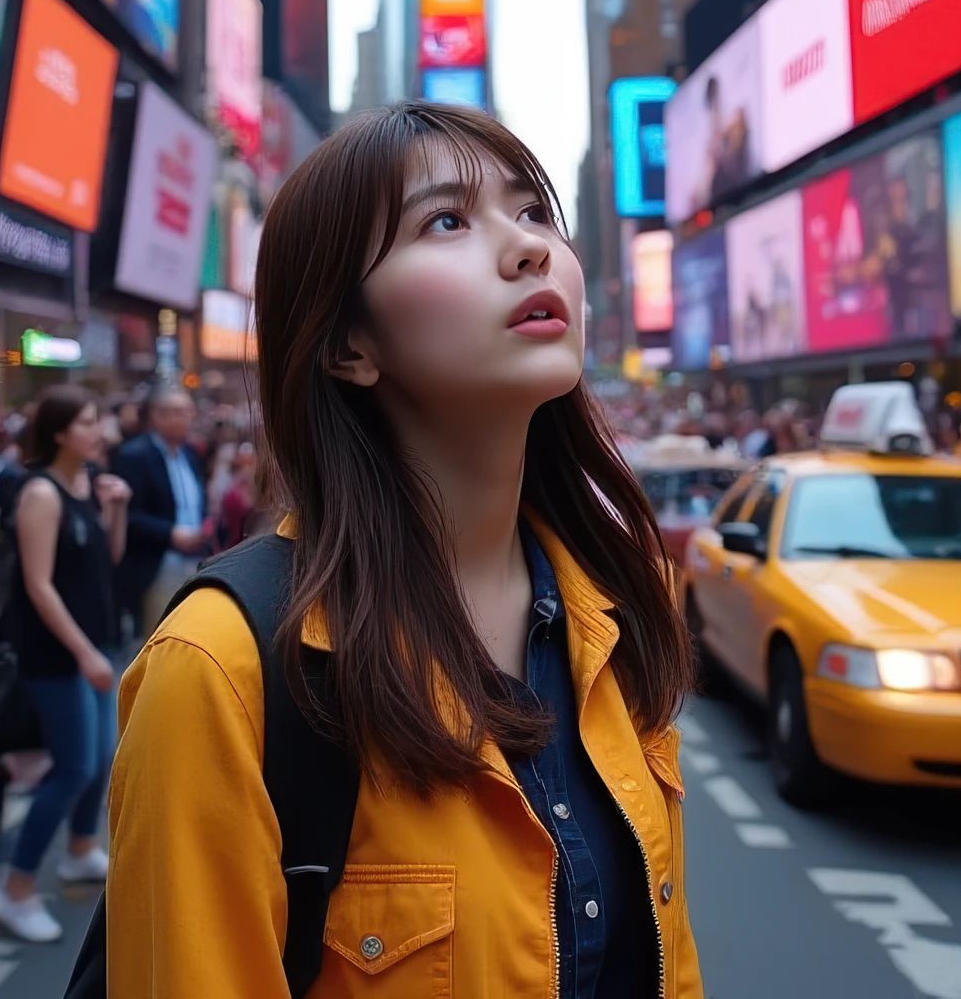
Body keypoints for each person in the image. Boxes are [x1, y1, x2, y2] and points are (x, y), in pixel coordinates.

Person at [108, 102, 702, 997]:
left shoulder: (619, 615)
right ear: (349, 344)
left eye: (534, 210)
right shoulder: (223, 673)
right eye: (447, 221)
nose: (528, 248)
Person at [0, 387, 130, 943]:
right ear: (58, 433)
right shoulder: (41, 493)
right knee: (74, 767)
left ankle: (80, 849)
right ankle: (16, 889)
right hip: (58, 656)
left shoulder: (86, 485)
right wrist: (83, 653)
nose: (100, 430)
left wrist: (115, 509)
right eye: (87, 421)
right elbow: (38, 584)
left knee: (99, 762)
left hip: (94, 646)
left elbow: (108, 562)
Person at [112, 388, 208, 640]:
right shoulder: (135, 455)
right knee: (161, 638)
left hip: (194, 559)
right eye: (177, 413)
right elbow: (128, 517)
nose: (185, 419)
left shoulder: (188, 454)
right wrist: (170, 534)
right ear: (157, 416)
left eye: (187, 412)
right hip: (157, 563)